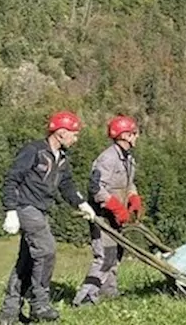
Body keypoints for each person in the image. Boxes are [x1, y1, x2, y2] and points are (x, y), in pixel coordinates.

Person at [0, 110, 97, 325]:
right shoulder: (33, 151)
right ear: (61, 133)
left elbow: (67, 185)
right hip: (26, 207)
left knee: (26, 262)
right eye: (74, 134)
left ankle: (9, 314)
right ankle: (39, 304)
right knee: (46, 250)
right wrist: (11, 210)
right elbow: (12, 179)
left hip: (41, 210)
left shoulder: (62, 158)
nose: (76, 138)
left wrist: (82, 203)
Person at [72, 114, 141, 308]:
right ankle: (84, 298)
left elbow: (128, 184)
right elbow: (95, 188)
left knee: (116, 253)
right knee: (104, 257)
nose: (136, 136)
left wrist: (134, 197)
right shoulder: (107, 159)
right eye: (134, 133)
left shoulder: (128, 159)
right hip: (103, 216)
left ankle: (108, 292)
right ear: (125, 135)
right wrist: (116, 207)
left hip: (116, 217)